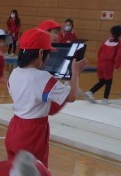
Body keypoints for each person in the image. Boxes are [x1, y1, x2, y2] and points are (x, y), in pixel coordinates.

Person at [5, 28, 86, 166]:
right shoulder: (43, 77)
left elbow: (37, 100)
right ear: (41, 53)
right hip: (32, 134)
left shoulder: (14, 73)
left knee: (15, 171)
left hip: (14, 127)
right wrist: (75, 72)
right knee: (36, 173)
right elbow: (71, 96)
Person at [85, 25, 121, 105]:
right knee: (109, 81)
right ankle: (105, 99)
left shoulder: (106, 41)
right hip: (108, 64)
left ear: (111, 33)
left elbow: (99, 51)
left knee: (102, 81)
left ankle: (91, 92)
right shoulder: (119, 43)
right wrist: (116, 67)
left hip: (100, 62)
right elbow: (119, 56)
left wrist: (99, 61)